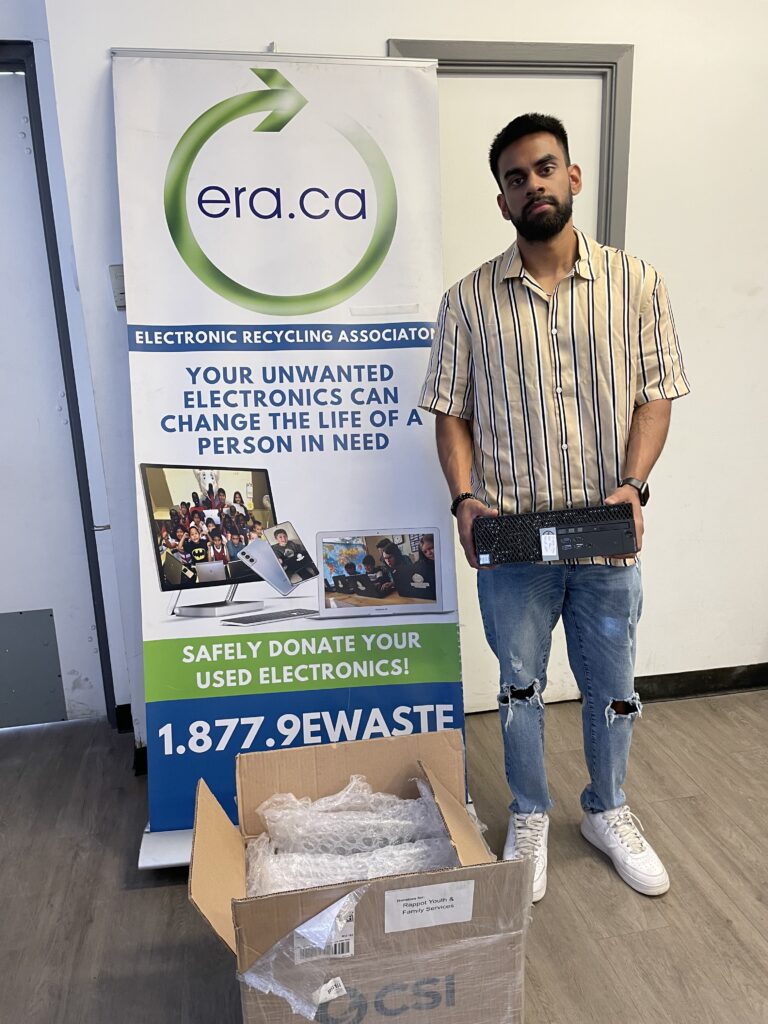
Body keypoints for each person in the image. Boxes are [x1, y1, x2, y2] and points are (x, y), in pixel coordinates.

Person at [419, 113, 689, 903]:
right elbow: (452, 413)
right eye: (515, 178)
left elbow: (656, 396)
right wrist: (463, 501)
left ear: (572, 177)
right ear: (502, 201)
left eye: (544, 168)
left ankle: (608, 809)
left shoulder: (637, 284)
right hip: (512, 540)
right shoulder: (467, 302)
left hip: (604, 534)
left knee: (614, 689)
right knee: (518, 689)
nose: (532, 184)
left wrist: (634, 484)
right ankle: (530, 813)